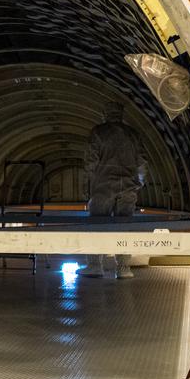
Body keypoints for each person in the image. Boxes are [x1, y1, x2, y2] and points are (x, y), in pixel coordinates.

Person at [82, 102, 145, 279]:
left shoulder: (99, 132)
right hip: (128, 187)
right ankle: (123, 268)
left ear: (105, 114)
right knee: (125, 227)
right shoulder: (133, 134)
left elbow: (90, 161)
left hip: (103, 186)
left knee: (97, 225)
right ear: (121, 114)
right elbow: (142, 162)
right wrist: (139, 183)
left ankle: (95, 265)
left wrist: (87, 185)